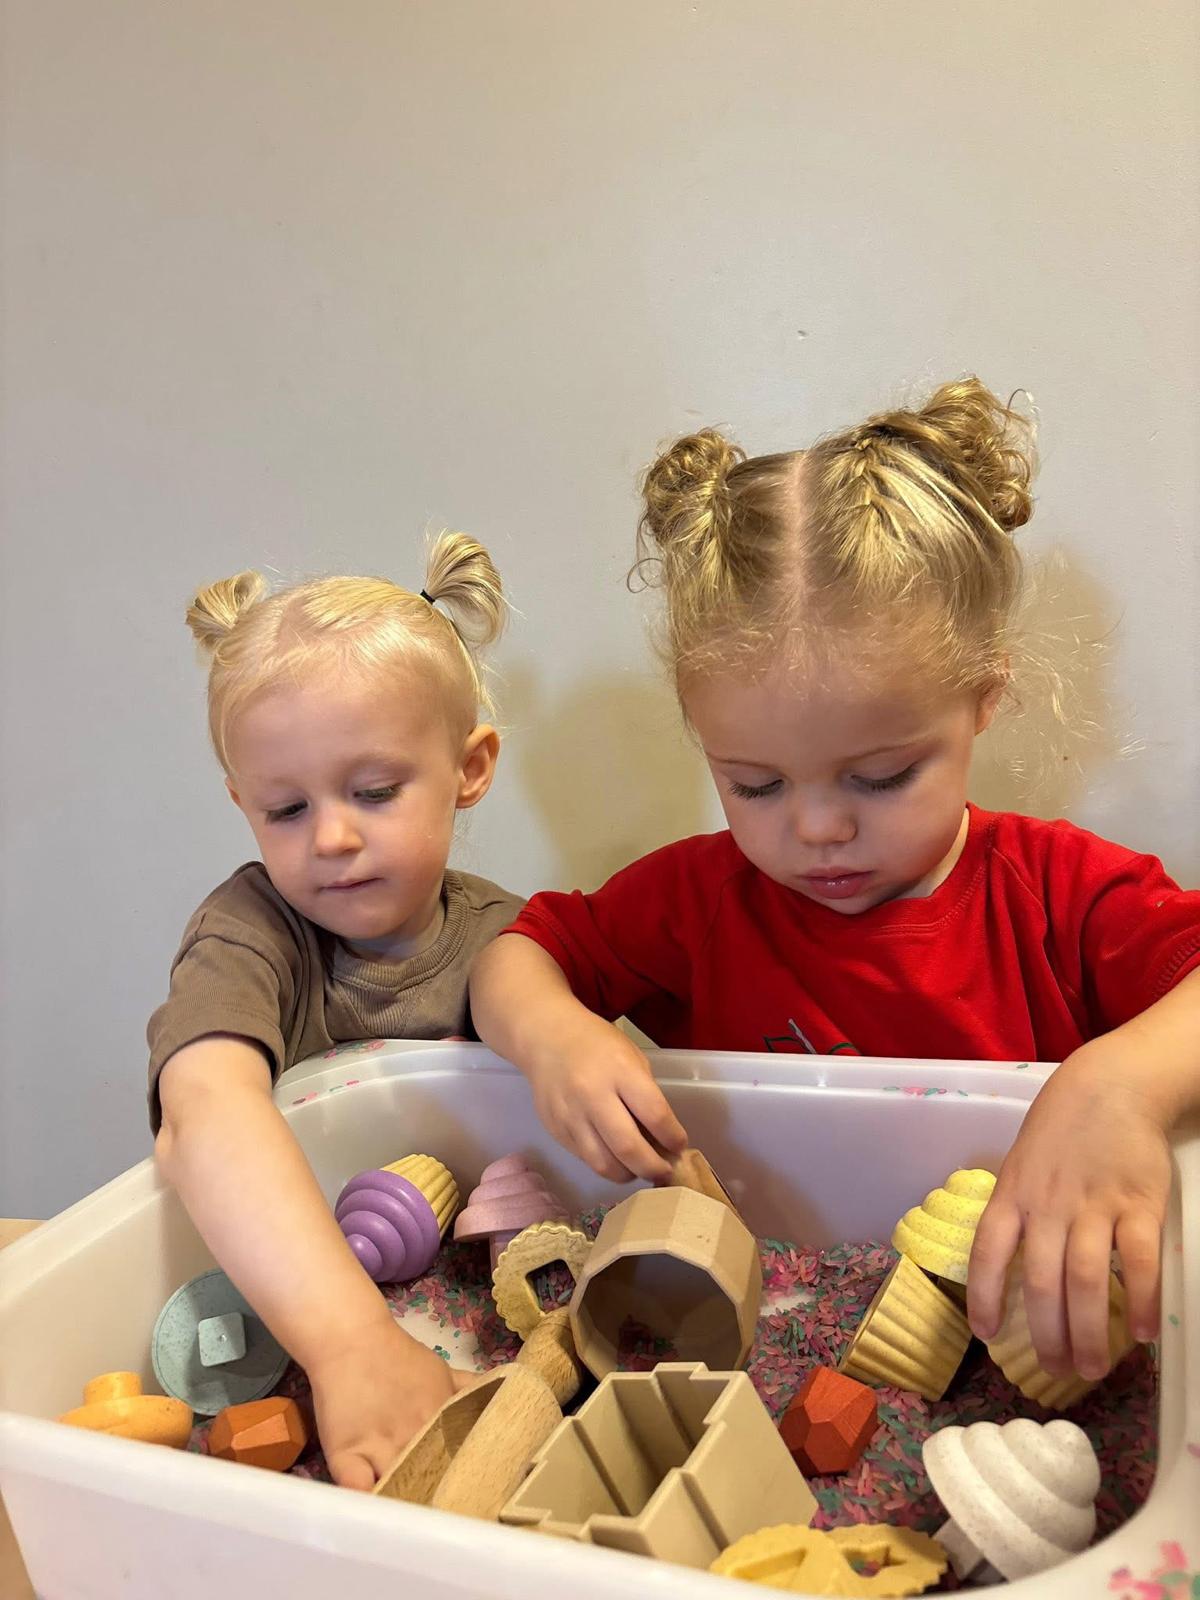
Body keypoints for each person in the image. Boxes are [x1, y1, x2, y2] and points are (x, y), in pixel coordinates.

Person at [470, 378, 1200, 1388]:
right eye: (754, 784)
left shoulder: (1055, 892)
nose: (817, 828)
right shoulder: (700, 899)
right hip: (754, 1318)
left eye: (881, 776)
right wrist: (554, 1036)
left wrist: (1118, 1085)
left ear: (983, 699)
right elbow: (517, 957)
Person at [149, 533, 522, 1488]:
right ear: (242, 803)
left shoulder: (513, 940)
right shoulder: (250, 933)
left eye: (374, 791)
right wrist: (351, 1345)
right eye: (287, 810)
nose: (332, 837)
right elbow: (204, 1109)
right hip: (299, 1299)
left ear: (470, 768)